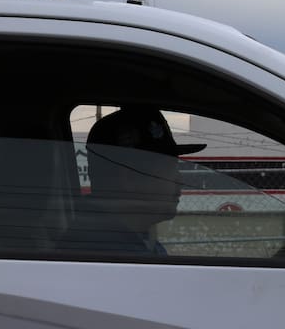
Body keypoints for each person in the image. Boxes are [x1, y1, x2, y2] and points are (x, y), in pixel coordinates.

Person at [65, 106, 206, 254]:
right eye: (170, 168)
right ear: (129, 178)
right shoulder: (109, 255)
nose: (180, 180)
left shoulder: (132, 243)